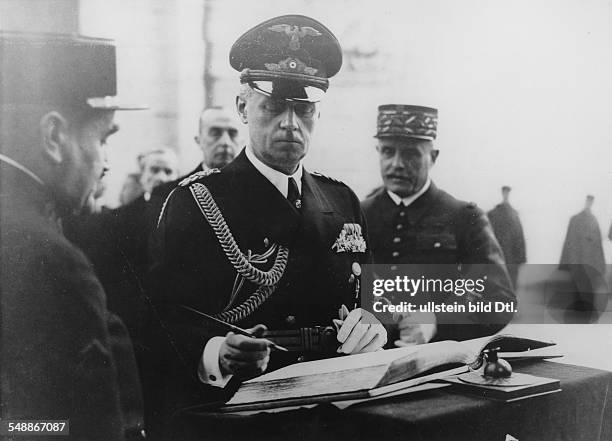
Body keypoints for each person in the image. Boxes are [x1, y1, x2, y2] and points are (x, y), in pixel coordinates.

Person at [148, 14, 387, 430]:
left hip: (337, 406)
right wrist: (215, 351)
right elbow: (156, 319)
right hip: (241, 412)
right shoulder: (196, 203)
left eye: (304, 109)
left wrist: (374, 325)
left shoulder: (341, 200)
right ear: (243, 107)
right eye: (274, 107)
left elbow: (370, 298)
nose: (290, 124)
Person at [0, 32, 145, 440]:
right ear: (53, 136)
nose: (104, 165)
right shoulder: (50, 257)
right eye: (101, 139)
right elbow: (75, 428)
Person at [361, 104, 515, 345]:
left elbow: (498, 297)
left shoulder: (465, 217)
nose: (397, 164)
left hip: (439, 364)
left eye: (411, 154)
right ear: (377, 151)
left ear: (433, 157)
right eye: (388, 152)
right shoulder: (359, 214)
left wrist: (436, 321)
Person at [487, 186, 527, 288]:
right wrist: (521, 258)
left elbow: (519, 238)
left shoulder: (494, 215)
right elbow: (519, 239)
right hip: (506, 260)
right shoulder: (512, 215)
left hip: (501, 259)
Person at [560, 195, 606, 276]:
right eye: (588, 201)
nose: (589, 204)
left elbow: (598, 246)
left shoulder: (593, 221)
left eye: (591, 201)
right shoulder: (575, 220)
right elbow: (569, 243)